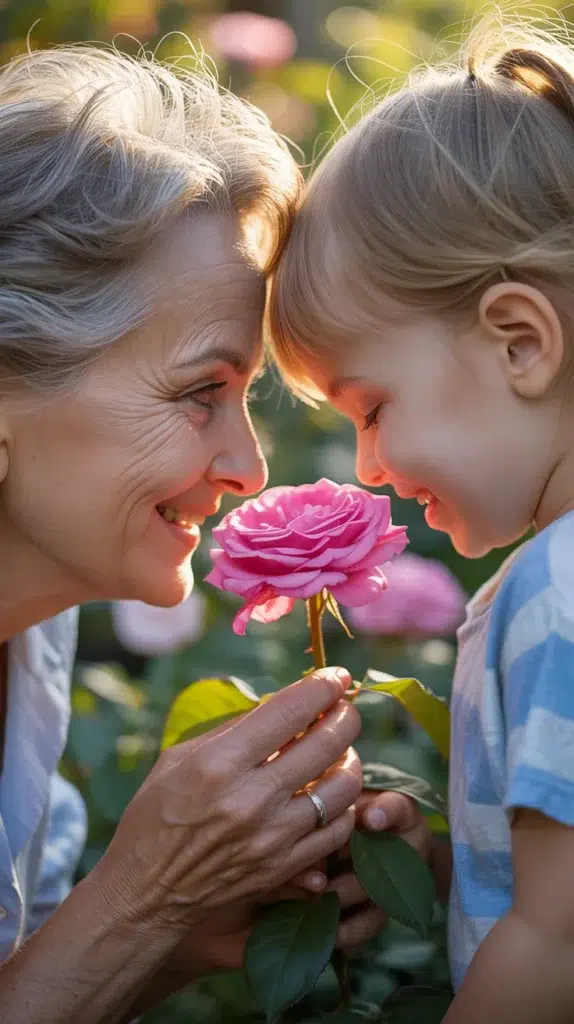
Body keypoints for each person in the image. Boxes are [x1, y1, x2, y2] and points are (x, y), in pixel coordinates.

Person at [0, 43, 399, 1023]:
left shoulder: (33, 632)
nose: (250, 469)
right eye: (198, 393)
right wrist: (140, 897)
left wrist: (191, 933)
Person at [268, 14, 574, 1023]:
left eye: (372, 407)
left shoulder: (557, 593)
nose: (367, 467)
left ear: (520, 342)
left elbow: (557, 940)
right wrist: (443, 865)